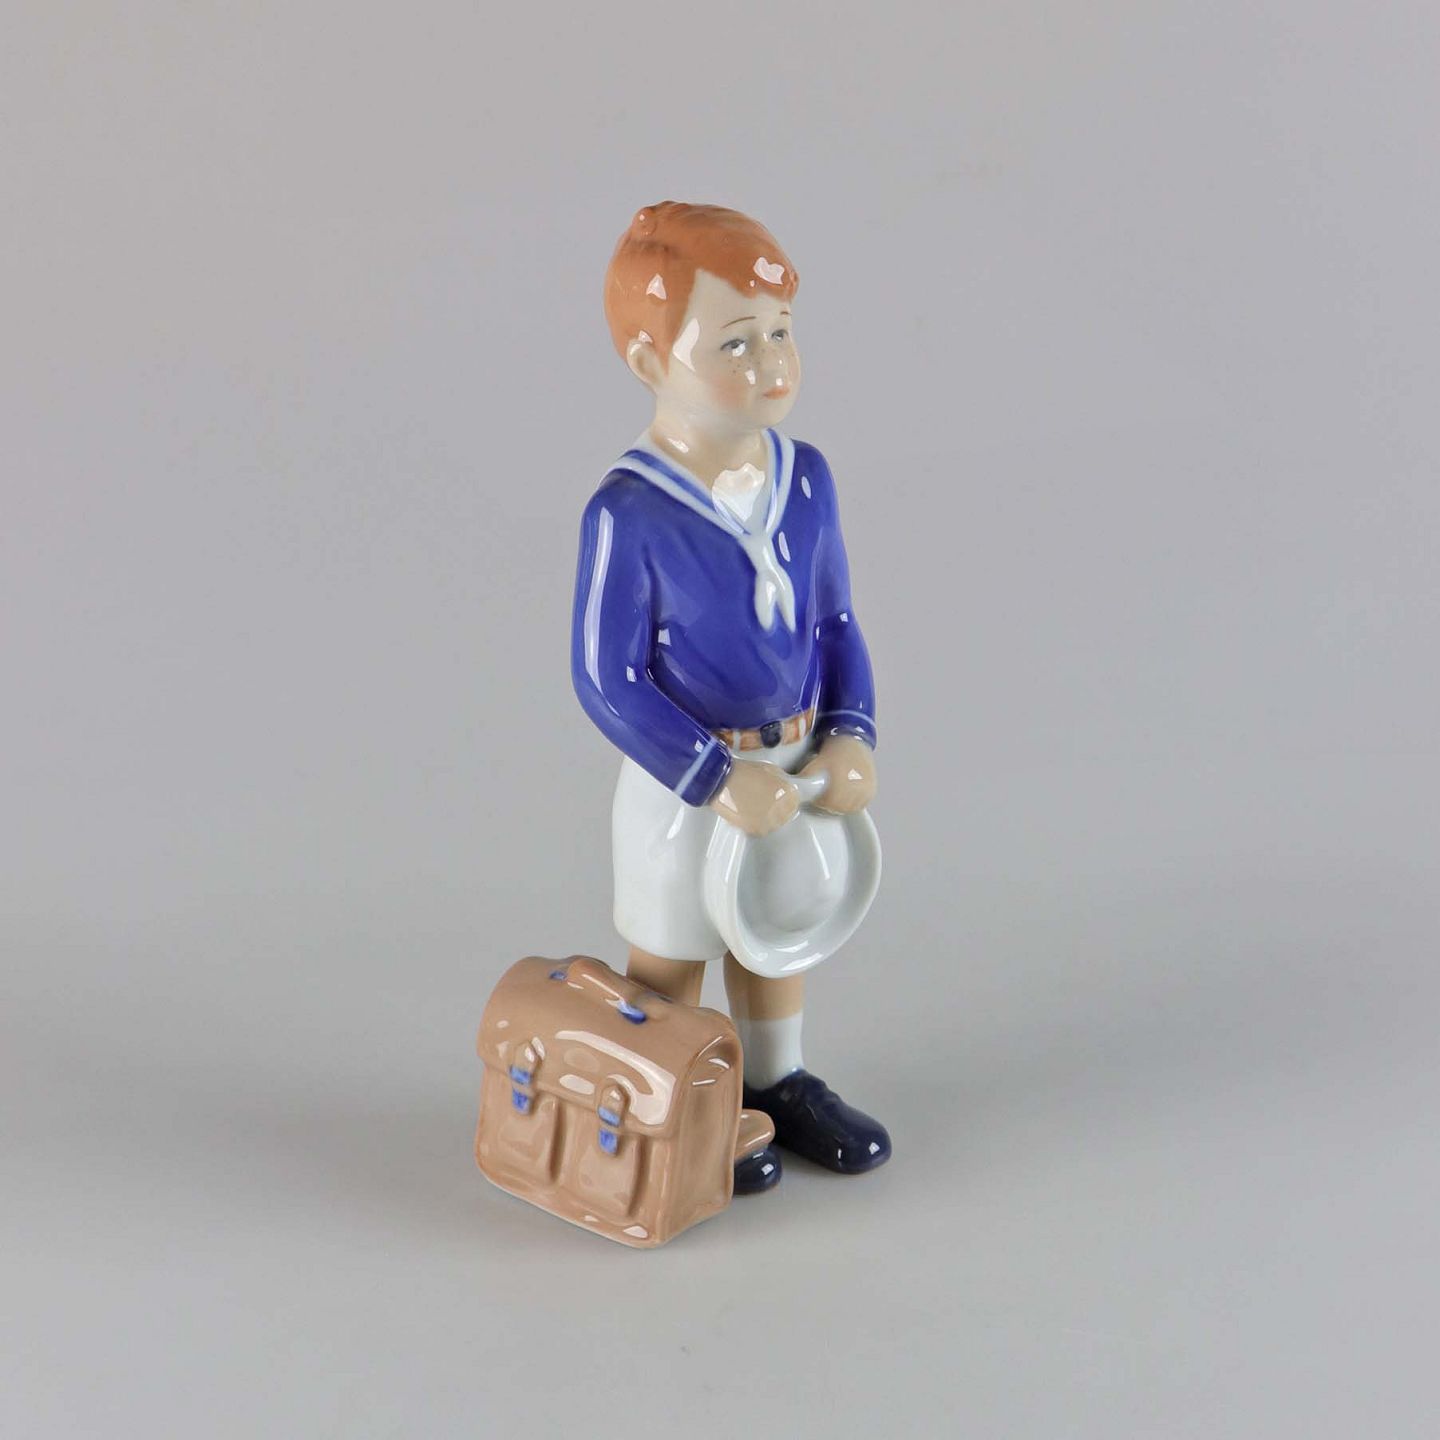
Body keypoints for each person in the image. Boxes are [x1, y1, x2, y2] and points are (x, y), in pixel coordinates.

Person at [571, 202, 891, 1193]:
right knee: (673, 946)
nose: (772, 363)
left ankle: (774, 1082)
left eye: (781, 333)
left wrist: (849, 730)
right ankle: (666, 1098)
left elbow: (835, 623)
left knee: (775, 931)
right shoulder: (628, 512)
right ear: (649, 360)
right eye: (736, 342)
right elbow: (607, 679)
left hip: (789, 761)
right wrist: (712, 776)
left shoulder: (807, 481)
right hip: (685, 778)